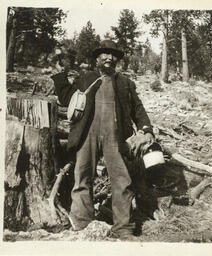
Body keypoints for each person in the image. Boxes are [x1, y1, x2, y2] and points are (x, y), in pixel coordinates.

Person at [51, 40, 154, 240]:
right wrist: (60, 73)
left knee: (122, 180)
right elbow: (65, 98)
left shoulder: (124, 83)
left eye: (113, 54)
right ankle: (82, 225)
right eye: (105, 54)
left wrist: (147, 129)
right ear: (97, 58)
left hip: (114, 136)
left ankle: (123, 228)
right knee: (82, 176)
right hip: (86, 133)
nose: (109, 57)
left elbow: (138, 109)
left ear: (117, 59)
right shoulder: (86, 78)